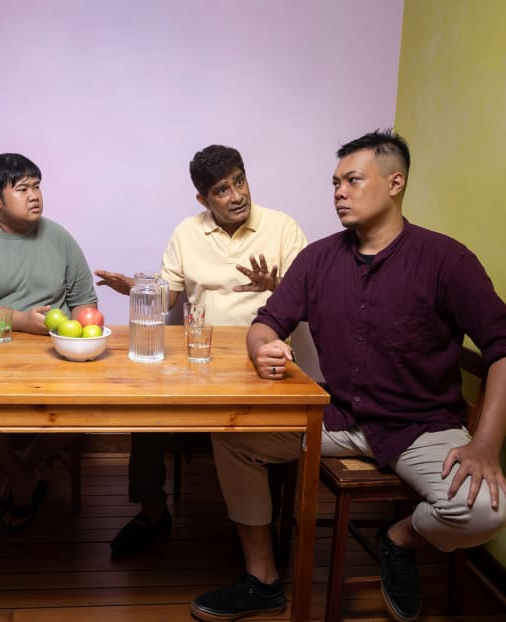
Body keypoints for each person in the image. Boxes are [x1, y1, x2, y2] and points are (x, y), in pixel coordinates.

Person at [191, 130, 506, 622]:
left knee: (486, 511)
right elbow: (268, 320)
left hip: (423, 426)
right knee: (234, 433)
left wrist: (486, 443)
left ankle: (398, 539)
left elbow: (501, 348)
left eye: (353, 180)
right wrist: (262, 348)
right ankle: (263, 579)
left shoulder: (447, 259)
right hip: (336, 419)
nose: (339, 192)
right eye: (335, 182)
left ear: (396, 182)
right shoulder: (317, 258)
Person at [95, 145, 307, 555]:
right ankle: (153, 510)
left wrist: (277, 287)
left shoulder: (283, 228)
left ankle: (264, 527)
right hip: (200, 357)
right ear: (203, 199)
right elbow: (168, 298)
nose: (237, 195)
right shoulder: (187, 233)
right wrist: (138, 290)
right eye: (222, 190)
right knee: (146, 408)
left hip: (263, 358)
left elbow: (312, 301)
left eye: (240, 181)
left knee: (263, 429)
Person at [0, 152, 98, 532]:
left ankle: (20, 472)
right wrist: (23, 322)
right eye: (23, 188)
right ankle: (25, 475)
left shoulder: (59, 236)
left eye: (37, 186)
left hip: (56, 355)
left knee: (88, 406)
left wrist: (75, 332)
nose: (35, 196)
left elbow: (85, 303)